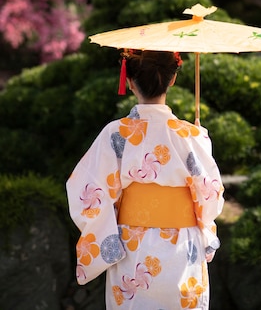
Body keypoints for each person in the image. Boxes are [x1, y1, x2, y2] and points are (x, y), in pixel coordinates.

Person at [66, 50, 224, 309]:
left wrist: (108, 240)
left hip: (132, 247)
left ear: (129, 82)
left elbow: (87, 190)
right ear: (172, 80)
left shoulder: (115, 133)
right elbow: (211, 195)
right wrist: (199, 139)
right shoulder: (191, 135)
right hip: (183, 247)